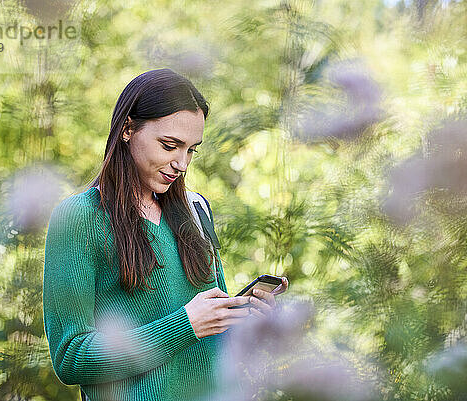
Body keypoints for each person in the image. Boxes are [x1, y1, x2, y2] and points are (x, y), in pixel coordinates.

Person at [42, 68, 288, 401]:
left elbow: (212, 343)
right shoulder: (79, 218)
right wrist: (184, 325)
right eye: (170, 145)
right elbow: (72, 357)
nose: (182, 163)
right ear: (128, 129)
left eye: (191, 150)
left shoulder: (196, 210)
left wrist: (247, 318)